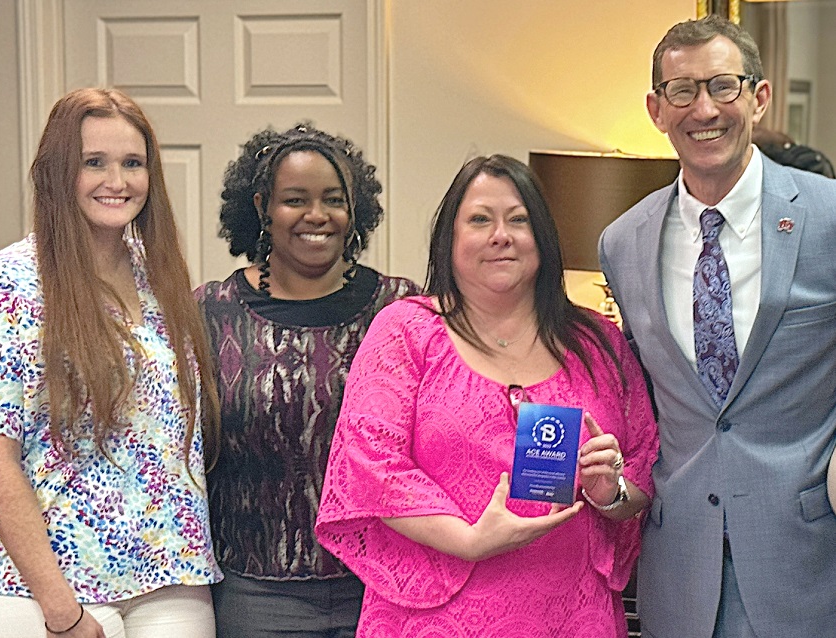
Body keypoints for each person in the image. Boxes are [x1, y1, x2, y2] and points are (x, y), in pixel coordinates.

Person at [315, 154, 659, 637]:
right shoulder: (407, 331)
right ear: (450, 240)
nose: (502, 235)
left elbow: (644, 464)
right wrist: (471, 540)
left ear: (542, 236)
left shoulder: (599, 341)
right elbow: (370, 462)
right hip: (435, 616)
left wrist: (609, 493)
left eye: (519, 220)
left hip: (571, 614)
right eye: (480, 219)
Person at [599, 15, 836, 638]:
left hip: (809, 561)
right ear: (656, 109)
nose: (704, 108)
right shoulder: (622, 243)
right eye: (682, 91)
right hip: (680, 569)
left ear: (758, 98)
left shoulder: (828, 218)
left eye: (723, 86)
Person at [0, 88, 221, 638]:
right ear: (58, 172)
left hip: (169, 579)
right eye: (94, 162)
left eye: (132, 163)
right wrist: (61, 612)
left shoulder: (159, 278)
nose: (117, 181)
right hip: (42, 590)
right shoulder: (8, 283)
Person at [196, 123, 420, 638]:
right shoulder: (209, 312)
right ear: (261, 207)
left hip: (380, 586)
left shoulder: (402, 309)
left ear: (354, 209)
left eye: (333, 199)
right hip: (255, 593)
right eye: (295, 199)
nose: (316, 216)